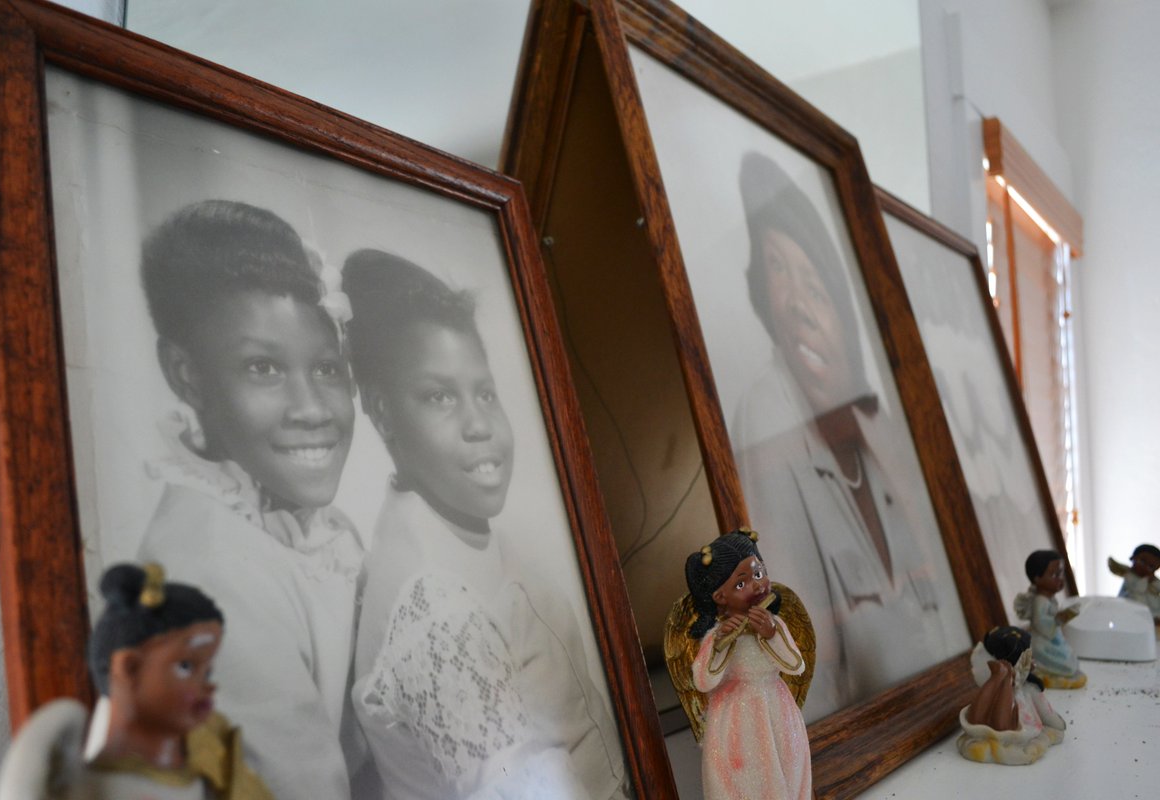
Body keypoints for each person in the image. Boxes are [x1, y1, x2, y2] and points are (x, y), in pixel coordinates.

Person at [342, 249, 627, 800]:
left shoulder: (456, 524)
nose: (479, 425)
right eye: (439, 396)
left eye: (485, 392)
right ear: (380, 411)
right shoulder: (433, 613)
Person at [135, 200, 363, 800]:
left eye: (327, 368)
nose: (312, 409)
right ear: (187, 375)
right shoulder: (210, 573)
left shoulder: (304, 528)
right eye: (263, 367)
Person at [731, 152, 969, 720]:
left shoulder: (874, 425)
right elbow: (807, 679)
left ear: (844, 311)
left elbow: (952, 619)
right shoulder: (769, 417)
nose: (796, 305)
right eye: (777, 271)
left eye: (814, 286)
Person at [0, 562, 273, 799]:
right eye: (186, 666)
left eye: (207, 671)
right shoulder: (89, 787)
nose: (209, 685)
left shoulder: (212, 766)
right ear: (129, 668)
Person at [683, 530, 811, 800]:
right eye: (741, 584)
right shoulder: (716, 637)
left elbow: (796, 666)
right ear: (720, 597)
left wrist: (771, 634)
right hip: (738, 725)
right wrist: (721, 643)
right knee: (749, 782)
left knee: (788, 770)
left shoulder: (775, 625)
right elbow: (703, 682)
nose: (757, 585)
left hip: (778, 713)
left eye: (759, 573)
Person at [957, 626, 1065, 765]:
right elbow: (1048, 713)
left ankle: (1001, 674)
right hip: (998, 726)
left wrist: (1055, 724)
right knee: (978, 715)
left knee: (997, 718)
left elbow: (1046, 712)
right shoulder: (998, 689)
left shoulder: (1025, 688)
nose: (973, 666)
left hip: (1021, 730)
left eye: (983, 655)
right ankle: (1000, 675)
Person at [1014, 550, 1086, 689]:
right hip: (1043, 642)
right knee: (1065, 662)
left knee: (1069, 657)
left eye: (1061, 573)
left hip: (1054, 638)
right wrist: (1058, 619)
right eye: (1054, 574)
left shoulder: (1049, 599)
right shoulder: (1040, 601)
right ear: (1037, 578)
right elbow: (1040, 623)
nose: (1060, 579)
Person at [1110, 543, 1160, 621]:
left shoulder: (1152, 579)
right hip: (1133, 610)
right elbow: (1138, 590)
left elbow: (1157, 587)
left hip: (1151, 611)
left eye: (1151, 567)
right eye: (1142, 562)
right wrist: (1146, 580)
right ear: (1133, 558)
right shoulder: (1130, 576)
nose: (1145, 568)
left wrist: (1153, 581)